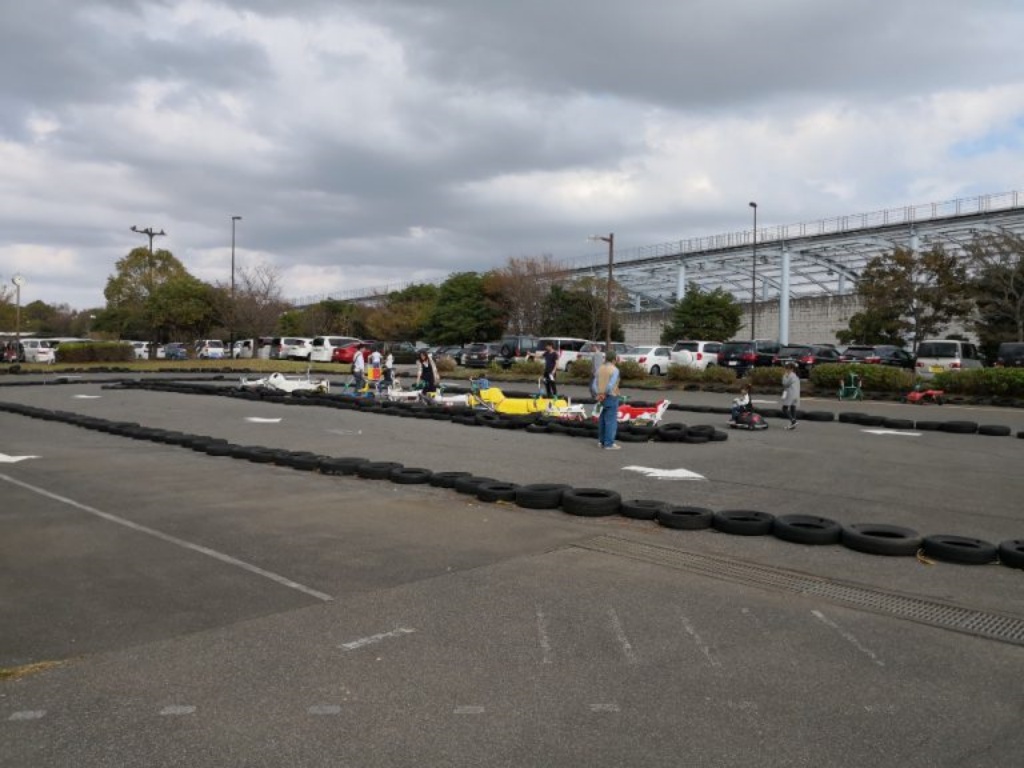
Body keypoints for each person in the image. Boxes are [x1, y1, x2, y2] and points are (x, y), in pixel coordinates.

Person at [595, 351, 622, 450]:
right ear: (614, 359)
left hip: (600, 397)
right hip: (610, 396)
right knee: (611, 420)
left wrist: (599, 394)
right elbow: (611, 385)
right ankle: (609, 443)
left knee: (602, 419)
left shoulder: (600, 369)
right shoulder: (615, 370)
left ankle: (601, 441)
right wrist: (604, 393)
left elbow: (594, 383)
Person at [781, 361, 801, 429]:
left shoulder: (789, 375)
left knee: (784, 409)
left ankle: (793, 421)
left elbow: (785, 384)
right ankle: (793, 425)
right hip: (796, 395)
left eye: (787, 369)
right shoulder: (796, 376)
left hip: (790, 394)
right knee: (793, 408)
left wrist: (785, 376)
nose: (786, 370)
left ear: (791, 369)